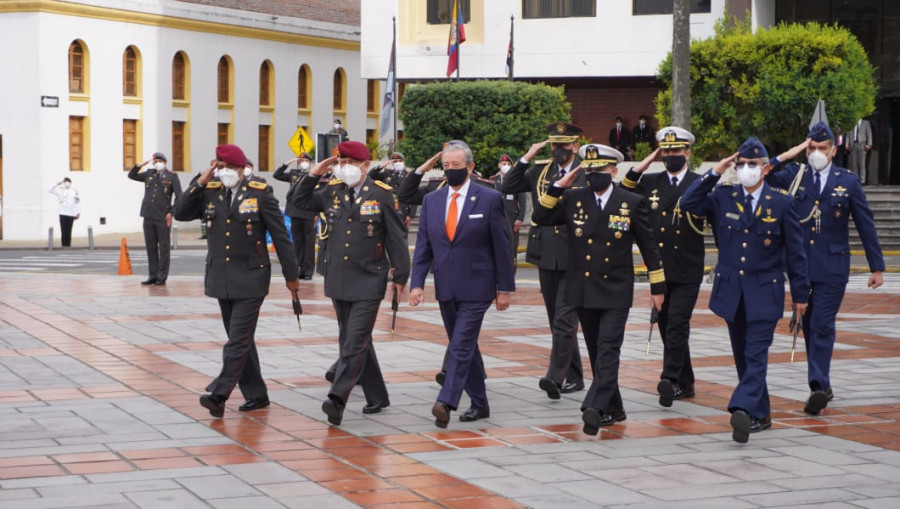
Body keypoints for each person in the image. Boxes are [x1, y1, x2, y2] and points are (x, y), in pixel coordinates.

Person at [680, 137, 809, 444]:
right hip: (731, 292)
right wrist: (714, 172)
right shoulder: (723, 196)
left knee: (755, 353)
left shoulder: (781, 202)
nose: (747, 169)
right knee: (742, 354)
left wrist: (801, 295)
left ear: (765, 169)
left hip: (765, 290)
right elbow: (687, 203)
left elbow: (796, 253)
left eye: (753, 165)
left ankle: (742, 407)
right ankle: (761, 413)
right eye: (742, 164)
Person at [533, 143, 665, 434]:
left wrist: (658, 285)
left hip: (616, 288)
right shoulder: (574, 198)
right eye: (589, 170)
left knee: (608, 348)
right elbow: (540, 218)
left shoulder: (631, 200)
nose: (594, 175)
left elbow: (649, 246)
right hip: (583, 287)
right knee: (596, 350)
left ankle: (595, 406)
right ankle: (614, 408)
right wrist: (558, 186)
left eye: (600, 170)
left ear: (614, 171)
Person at [767, 122, 885, 415]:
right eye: (811, 148)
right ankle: (824, 383)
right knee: (808, 326)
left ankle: (817, 386)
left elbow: (865, 223)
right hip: (800, 266)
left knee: (822, 324)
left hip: (833, 266)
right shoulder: (796, 175)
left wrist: (876, 267)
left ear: (833, 151)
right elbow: (763, 176)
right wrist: (788, 154)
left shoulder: (848, 181)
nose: (816, 153)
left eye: (822, 148)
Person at [174, 144, 300, 418]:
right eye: (220, 167)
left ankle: (219, 393)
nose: (225, 172)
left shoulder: (260, 194)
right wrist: (200, 181)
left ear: (242, 169)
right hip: (221, 278)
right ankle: (257, 395)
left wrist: (291, 276)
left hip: (252, 278)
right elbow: (181, 212)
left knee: (238, 339)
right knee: (240, 340)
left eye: (230, 168)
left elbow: (281, 238)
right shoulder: (211, 192)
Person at [294, 140, 409, 426]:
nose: (344, 168)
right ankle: (378, 395)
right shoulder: (332, 190)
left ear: (365, 166)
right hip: (339, 277)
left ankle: (337, 398)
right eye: (340, 163)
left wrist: (401, 276)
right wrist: (313, 174)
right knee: (356, 338)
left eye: (349, 163)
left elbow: (396, 237)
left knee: (353, 340)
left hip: (370, 277)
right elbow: (298, 202)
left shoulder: (382, 194)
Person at [409, 140, 515, 428]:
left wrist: (504, 288)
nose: (451, 170)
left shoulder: (488, 198)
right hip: (446, 285)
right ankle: (480, 403)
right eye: (446, 166)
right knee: (466, 346)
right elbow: (423, 247)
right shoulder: (432, 200)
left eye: (456, 165)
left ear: (470, 167)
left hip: (479, 286)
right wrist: (416, 284)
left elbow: (502, 248)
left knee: (459, 345)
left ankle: (446, 401)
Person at [619, 126, 705, 408]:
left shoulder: (700, 181)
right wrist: (642, 164)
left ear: (687, 152)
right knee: (667, 326)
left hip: (688, 267)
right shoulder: (651, 182)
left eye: (676, 151)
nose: (671, 156)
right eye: (666, 151)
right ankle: (687, 380)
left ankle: (669, 380)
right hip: (659, 268)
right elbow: (623, 190)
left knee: (678, 323)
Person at [500, 122, 586, 399]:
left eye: (564, 145)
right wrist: (525, 158)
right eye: (554, 145)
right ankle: (575, 375)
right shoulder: (540, 170)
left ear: (575, 145)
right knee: (556, 319)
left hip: (575, 252)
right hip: (546, 251)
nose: (558, 150)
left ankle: (555, 377)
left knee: (564, 319)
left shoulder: (587, 170)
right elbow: (508, 186)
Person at [128, 152, 183, 285]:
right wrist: (140, 165)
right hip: (148, 214)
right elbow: (132, 175)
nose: (157, 163)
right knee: (150, 247)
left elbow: (179, 196)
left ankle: (161, 277)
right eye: (155, 161)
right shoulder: (149, 174)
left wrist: (172, 212)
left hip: (163, 216)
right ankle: (152, 275)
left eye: (159, 160)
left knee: (164, 247)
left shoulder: (172, 176)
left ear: (164, 162)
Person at [274, 153, 317, 280]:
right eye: (301, 160)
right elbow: (277, 175)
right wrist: (287, 163)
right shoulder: (294, 174)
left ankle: (308, 271)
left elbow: (318, 194)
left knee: (309, 243)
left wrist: (317, 213)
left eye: (306, 160)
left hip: (309, 211)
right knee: (298, 242)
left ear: (310, 162)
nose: (303, 162)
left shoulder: (314, 175)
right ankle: (300, 269)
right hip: (295, 211)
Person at [368, 152, 418, 230]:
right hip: (387, 209)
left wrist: (411, 215)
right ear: (391, 162)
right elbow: (370, 176)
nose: (398, 163)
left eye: (400, 161)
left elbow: (414, 193)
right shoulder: (386, 173)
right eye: (395, 161)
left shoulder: (409, 175)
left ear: (404, 161)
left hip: (403, 210)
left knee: (401, 236)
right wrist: (382, 166)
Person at [494, 154, 528, 267]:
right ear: (499, 165)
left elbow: (522, 201)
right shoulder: (493, 181)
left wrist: (520, 218)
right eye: (504, 164)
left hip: (512, 219)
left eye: (508, 164)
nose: (506, 166)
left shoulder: (517, 181)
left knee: (511, 247)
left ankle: (511, 273)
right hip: (496, 218)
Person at [49, 178, 80, 247]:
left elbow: (77, 202)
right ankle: (64, 245)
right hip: (62, 213)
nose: (67, 183)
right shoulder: (60, 190)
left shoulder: (74, 191)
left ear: (70, 183)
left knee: (69, 230)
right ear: (63, 183)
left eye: (68, 182)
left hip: (71, 213)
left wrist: (78, 212)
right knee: (63, 230)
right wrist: (57, 184)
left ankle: (68, 244)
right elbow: (50, 190)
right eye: (65, 182)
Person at [845, 118, 872, 184]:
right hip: (853, 144)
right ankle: (855, 179)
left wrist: (869, 144)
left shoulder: (866, 123)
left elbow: (869, 133)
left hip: (862, 145)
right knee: (854, 164)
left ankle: (862, 180)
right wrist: (847, 143)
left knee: (862, 164)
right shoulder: (851, 122)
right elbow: (848, 134)